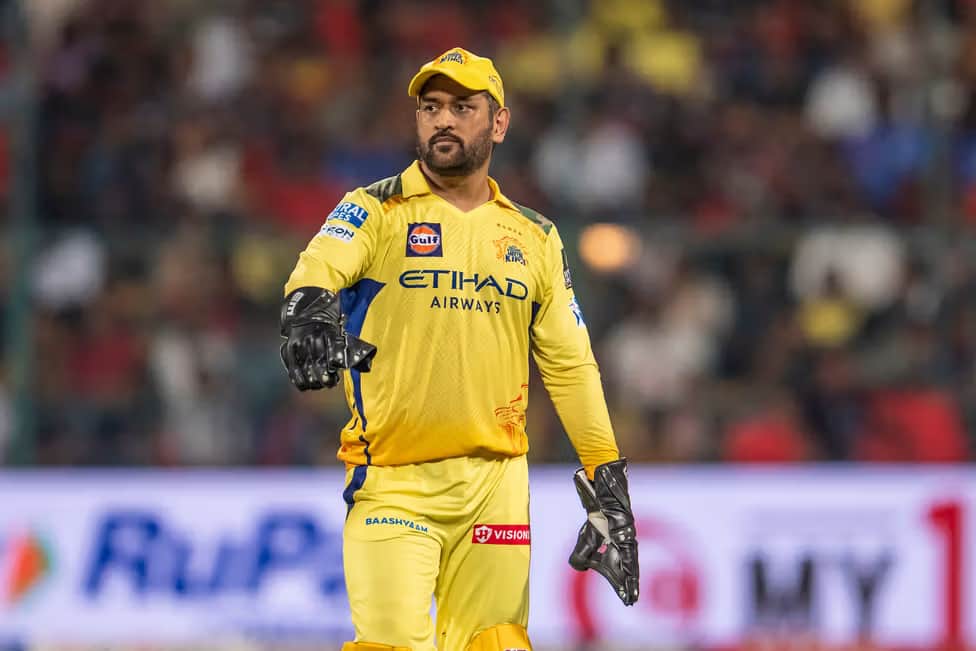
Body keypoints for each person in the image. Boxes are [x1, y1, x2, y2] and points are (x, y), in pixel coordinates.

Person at [279, 47, 638, 651]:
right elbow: (317, 269)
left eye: (462, 107)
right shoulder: (374, 208)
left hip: (496, 489)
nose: (443, 119)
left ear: (499, 123)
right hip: (392, 483)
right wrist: (308, 308)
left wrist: (607, 478)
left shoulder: (536, 236)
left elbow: (571, 365)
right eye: (431, 107)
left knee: (497, 642)